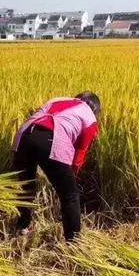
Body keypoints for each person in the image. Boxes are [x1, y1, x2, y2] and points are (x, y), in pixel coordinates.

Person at [11, 91, 100, 241]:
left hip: (23, 135)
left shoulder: (58, 99)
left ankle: (21, 228)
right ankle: (74, 242)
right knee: (70, 195)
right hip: (51, 139)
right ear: (95, 109)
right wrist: (71, 176)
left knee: (26, 187)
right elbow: (79, 155)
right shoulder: (90, 117)